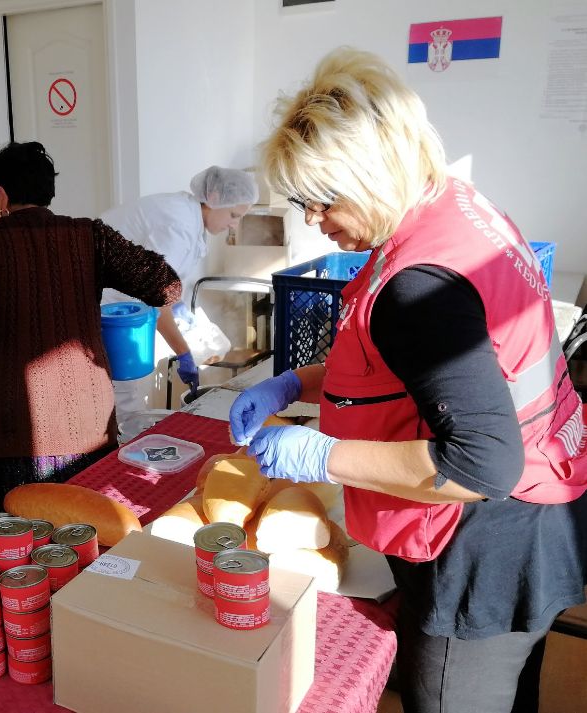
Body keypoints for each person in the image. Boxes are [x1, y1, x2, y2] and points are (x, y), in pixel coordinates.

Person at [229, 48, 587, 713]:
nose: (311, 220)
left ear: (369, 176)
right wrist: (293, 384)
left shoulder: (419, 285)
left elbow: (483, 463)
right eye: (302, 202)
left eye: (321, 200)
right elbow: (409, 368)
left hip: (486, 543)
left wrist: (321, 455)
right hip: (543, 504)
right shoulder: (449, 207)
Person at [0, 141, 181, 512]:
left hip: (9, 426)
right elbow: (165, 286)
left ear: (1, 194)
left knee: (14, 530)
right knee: (84, 527)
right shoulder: (92, 235)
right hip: (86, 421)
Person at [100, 166, 258, 412]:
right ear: (214, 198)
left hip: (123, 302)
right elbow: (156, 299)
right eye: (234, 215)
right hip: (109, 303)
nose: (234, 226)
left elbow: (163, 283)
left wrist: (177, 306)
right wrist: (184, 354)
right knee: (121, 392)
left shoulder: (189, 216)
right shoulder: (179, 225)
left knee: (123, 389)